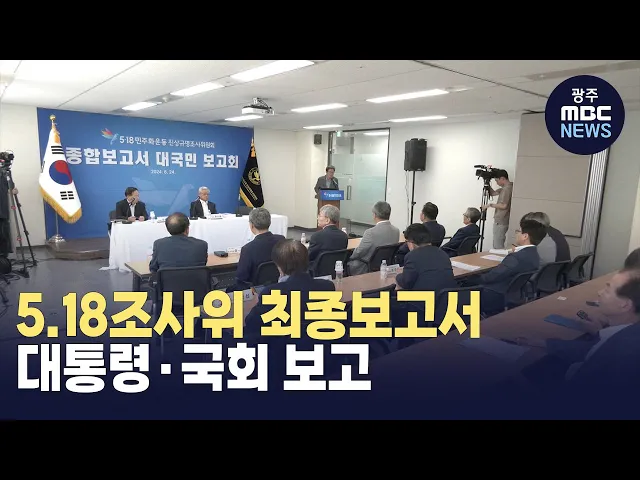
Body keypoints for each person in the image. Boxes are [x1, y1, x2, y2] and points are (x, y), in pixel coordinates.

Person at [243, 239, 338, 387]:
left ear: (279, 267)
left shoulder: (272, 292)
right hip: (322, 355)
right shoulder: (327, 286)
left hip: (283, 361)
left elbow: (251, 324)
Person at [472, 217, 545, 315]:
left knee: (464, 284)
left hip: (494, 294)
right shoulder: (535, 255)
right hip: (514, 294)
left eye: (518, 231)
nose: (516, 234)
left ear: (525, 236)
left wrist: (473, 279)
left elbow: (492, 277)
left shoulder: (516, 257)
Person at [229, 207, 285, 290]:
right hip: (279, 285)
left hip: (256, 289)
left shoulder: (248, 249)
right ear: (269, 223)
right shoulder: (282, 240)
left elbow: (241, 278)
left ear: (252, 225)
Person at [395, 223, 457, 292]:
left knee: (389, 296)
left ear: (411, 242)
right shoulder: (443, 253)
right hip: (447, 297)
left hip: (425, 298)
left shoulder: (412, 256)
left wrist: (398, 276)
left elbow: (406, 283)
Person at [348, 201, 400, 276]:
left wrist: (349, 256)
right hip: (385, 265)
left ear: (375, 215)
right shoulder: (396, 231)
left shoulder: (370, 232)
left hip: (367, 266)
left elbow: (359, 252)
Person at [481, 169, 513, 249]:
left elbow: (504, 205)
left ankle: (498, 257)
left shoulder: (506, 189)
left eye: (496, 180)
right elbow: (493, 193)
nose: (496, 183)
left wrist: (489, 205)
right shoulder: (507, 187)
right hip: (502, 220)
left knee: (498, 246)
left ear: (502, 178)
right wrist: (487, 182)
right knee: (497, 244)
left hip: (501, 221)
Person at [0, 173, 18, 257]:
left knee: (4, 233)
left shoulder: (5, 173)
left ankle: (4, 256)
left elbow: (10, 187)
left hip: (3, 209)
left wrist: (12, 190)